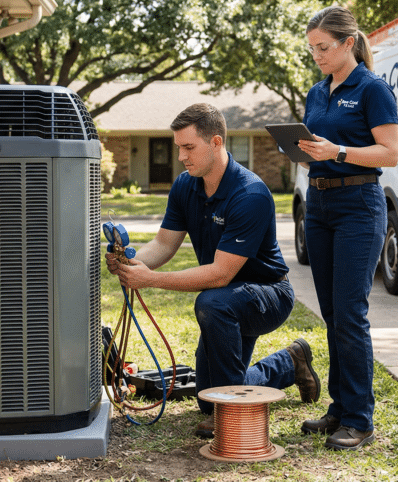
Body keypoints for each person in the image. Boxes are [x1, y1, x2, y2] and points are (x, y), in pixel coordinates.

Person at [107, 103, 319, 439]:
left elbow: (220, 275)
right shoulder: (185, 185)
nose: (181, 157)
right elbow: (163, 244)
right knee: (209, 397)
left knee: (212, 302)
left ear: (216, 143)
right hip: (227, 297)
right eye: (179, 148)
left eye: (189, 147)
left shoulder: (250, 193)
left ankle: (230, 406)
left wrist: (151, 279)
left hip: (268, 295)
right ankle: (289, 363)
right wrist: (134, 262)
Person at [295, 6, 398, 451]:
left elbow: (389, 153)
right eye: (311, 49)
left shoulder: (373, 89)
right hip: (318, 203)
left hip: (359, 204)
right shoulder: (318, 93)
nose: (316, 55)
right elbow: (316, 149)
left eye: (323, 47)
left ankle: (359, 418)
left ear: (348, 43)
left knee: (351, 315)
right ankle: (339, 408)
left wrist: (337, 151)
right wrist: (303, 151)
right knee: (333, 314)